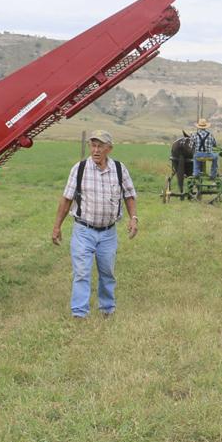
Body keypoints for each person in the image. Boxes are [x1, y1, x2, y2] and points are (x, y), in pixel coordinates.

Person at [51, 130, 139, 318]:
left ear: (109, 149)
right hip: (83, 230)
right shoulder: (79, 169)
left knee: (107, 272)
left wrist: (133, 219)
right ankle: (79, 313)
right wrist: (57, 226)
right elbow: (66, 199)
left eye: (100, 146)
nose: (96, 150)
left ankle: (107, 309)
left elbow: (129, 195)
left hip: (108, 232)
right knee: (82, 272)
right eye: (93, 145)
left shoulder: (119, 169)